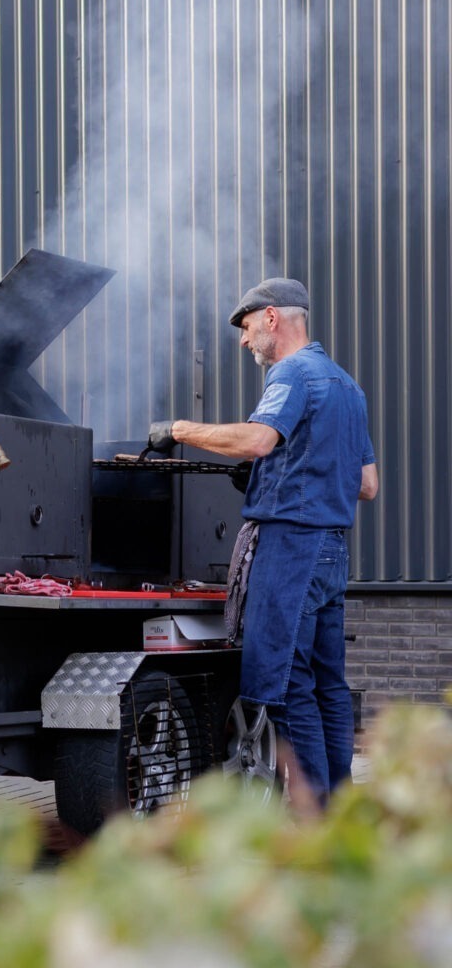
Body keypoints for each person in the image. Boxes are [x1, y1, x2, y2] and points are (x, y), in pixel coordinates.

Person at [147, 277, 378, 808]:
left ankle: (314, 818)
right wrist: (282, 474)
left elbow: (256, 440)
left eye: (247, 327)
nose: (243, 340)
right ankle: (341, 811)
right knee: (327, 686)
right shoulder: (348, 386)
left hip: (292, 549)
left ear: (272, 318)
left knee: (287, 684)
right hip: (332, 552)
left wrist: (179, 429)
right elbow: (367, 485)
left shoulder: (292, 373)